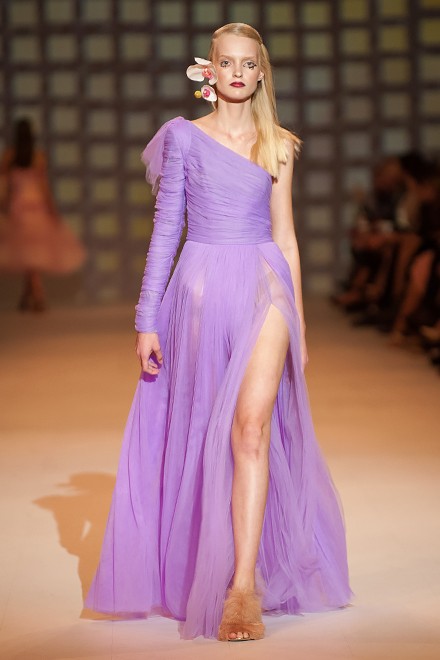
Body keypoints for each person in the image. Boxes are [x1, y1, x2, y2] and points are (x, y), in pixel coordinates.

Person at [85, 23, 351, 641]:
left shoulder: (278, 145)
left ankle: (242, 587)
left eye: (247, 64)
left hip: (265, 286)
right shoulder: (184, 138)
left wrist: (300, 324)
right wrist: (146, 317)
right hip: (202, 291)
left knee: (250, 428)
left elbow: (286, 238)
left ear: (261, 73)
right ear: (210, 70)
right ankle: (211, 566)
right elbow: (166, 231)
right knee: (207, 429)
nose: (237, 73)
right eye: (226, 62)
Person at [0, 117, 85, 311]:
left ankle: (30, 295)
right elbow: (43, 187)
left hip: (18, 208)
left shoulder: (9, 157)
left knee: (29, 255)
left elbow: (5, 186)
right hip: (35, 206)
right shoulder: (38, 157)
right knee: (32, 255)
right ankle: (35, 294)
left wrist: (4, 206)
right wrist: (52, 210)